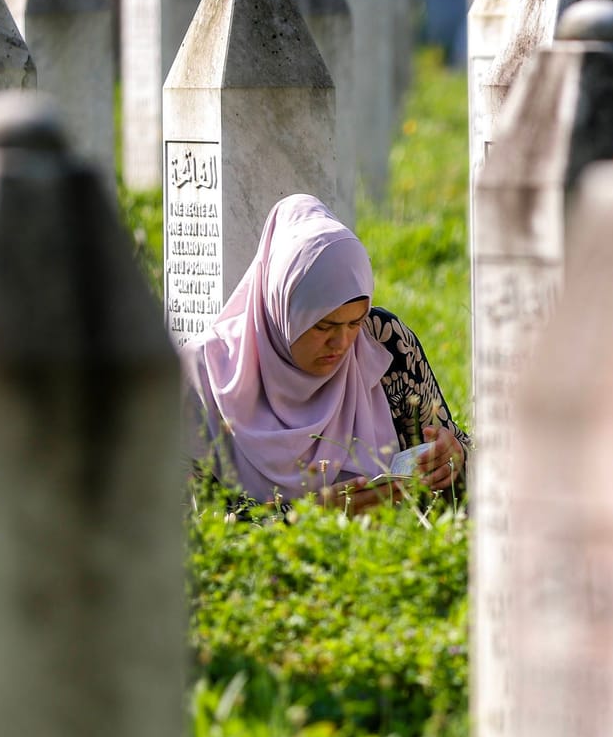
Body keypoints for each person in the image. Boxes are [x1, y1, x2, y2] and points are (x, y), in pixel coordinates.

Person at [183, 194, 469, 511]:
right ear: (282, 310)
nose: (342, 343)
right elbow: (184, 527)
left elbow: (463, 462)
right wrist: (307, 518)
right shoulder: (203, 374)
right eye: (323, 327)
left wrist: (453, 457)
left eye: (354, 322)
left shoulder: (384, 342)